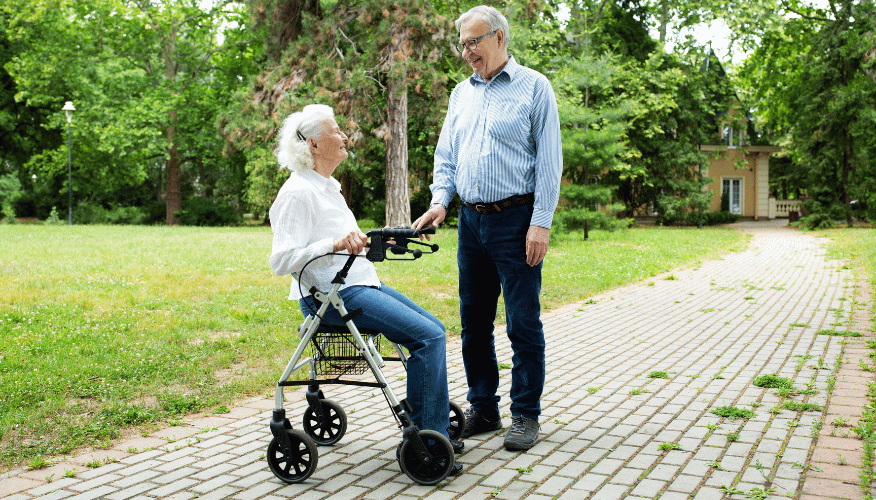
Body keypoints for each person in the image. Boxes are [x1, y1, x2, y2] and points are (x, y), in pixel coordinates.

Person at [268, 104, 462, 472]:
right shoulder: (297, 193)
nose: (344, 136)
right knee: (428, 339)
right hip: (332, 298)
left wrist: (385, 242)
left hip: (359, 284)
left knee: (434, 331)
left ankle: (433, 428)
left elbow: (346, 242)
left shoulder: (328, 187)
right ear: (313, 144)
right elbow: (282, 260)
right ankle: (428, 440)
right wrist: (337, 244)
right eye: (336, 130)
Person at [412, 6, 562, 452]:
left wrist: (541, 223)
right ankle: (484, 407)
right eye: (462, 44)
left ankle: (525, 415)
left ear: (498, 38)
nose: (466, 52)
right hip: (471, 222)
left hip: (517, 221)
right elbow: (447, 156)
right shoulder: (462, 94)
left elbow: (550, 165)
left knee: (522, 322)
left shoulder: (534, 88)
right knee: (473, 322)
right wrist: (441, 202)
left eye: (473, 42)